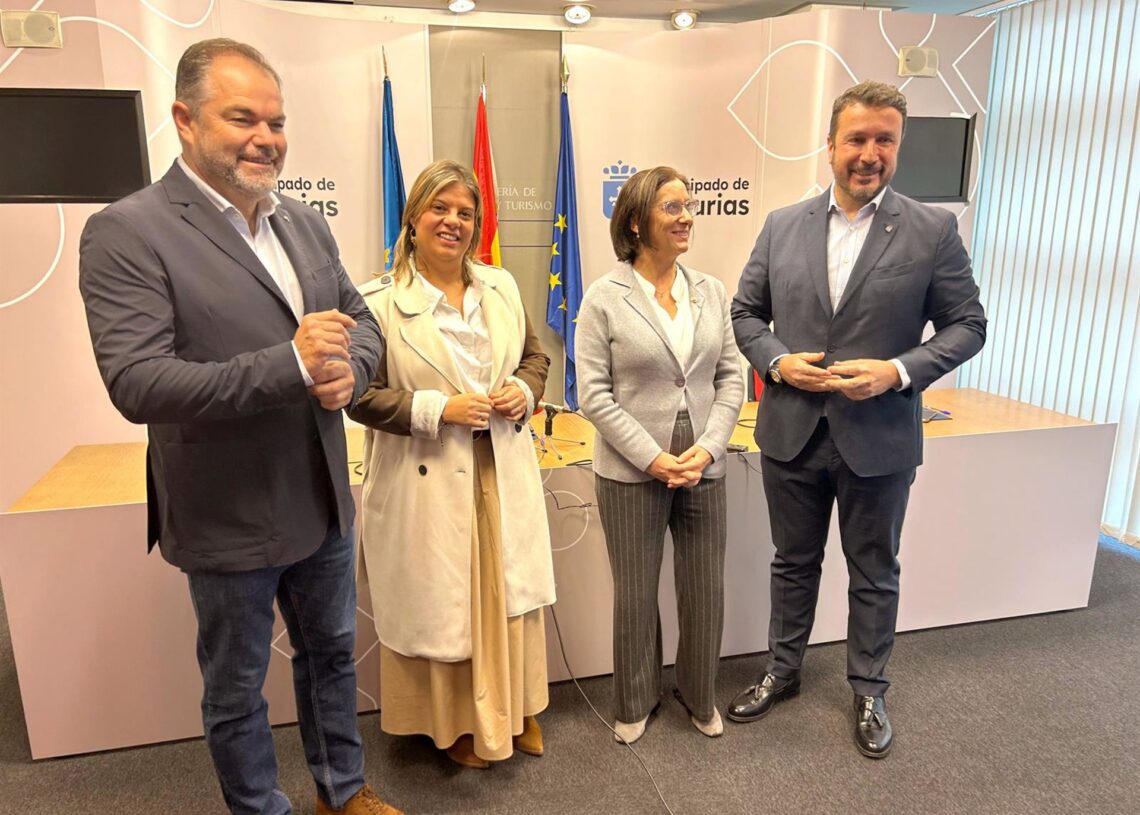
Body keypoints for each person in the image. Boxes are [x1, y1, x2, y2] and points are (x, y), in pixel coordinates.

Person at [78, 39, 400, 814]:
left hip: (322, 497)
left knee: (331, 659)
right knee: (237, 688)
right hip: (227, 513)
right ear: (185, 120)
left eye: (278, 121)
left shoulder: (303, 223)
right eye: (243, 117)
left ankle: (342, 791)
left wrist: (351, 369)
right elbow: (137, 381)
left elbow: (360, 320)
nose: (267, 137)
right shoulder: (127, 230)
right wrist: (288, 367)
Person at [729, 80, 987, 758]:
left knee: (874, 568)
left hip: (880, 436)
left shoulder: (933, 230)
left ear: (896, 146)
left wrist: (897, 371)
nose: (869, 153)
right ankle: (782, 671)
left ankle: (869, 686)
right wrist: (780, 364)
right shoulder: (783, 224)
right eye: (857, 138)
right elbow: (746, 315)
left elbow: (968, 325)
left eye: (884, 140)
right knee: (793, 562)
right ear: (831, 144)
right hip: (792, 428)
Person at [348, 159, 556, 770]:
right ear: (413, 220)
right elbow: (359, 395)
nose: (453, 222)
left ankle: (514, 712)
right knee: (448, 601)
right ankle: (453, 724)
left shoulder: (502, 286)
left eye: (465, 212)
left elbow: (536, 355)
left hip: (500, 468)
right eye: (440, 209)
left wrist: (524, 388)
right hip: (428, 477)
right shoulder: (376, 303)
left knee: (504, 591)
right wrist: (437, 409)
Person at [576, 167, 745, 744]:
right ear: (635, 221)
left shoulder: (711, 291)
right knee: (635, 593)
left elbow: (731, 377)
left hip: (704, 465)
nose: (686, 216)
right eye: (671, 206)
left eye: (688, 204)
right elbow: (592, 394)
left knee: (704, 590)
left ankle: (700, 695)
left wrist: (709, 446)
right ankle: (635, 698)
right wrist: (652, 458)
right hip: (630, 472)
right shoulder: (603, 297)